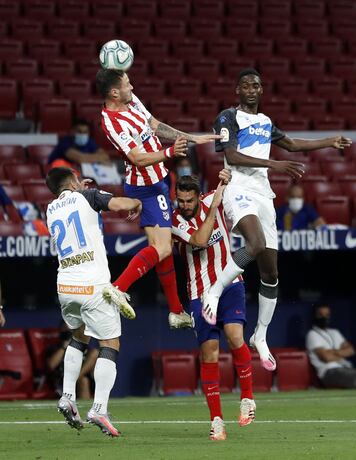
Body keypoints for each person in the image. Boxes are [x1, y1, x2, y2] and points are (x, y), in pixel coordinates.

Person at [205, 67, 352, 371]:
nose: (251, 89)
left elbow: (292, 144)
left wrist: (329, 141)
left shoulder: (266, 121)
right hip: (238, 188)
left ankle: (260, 335)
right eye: (245, 85)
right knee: (255, 244)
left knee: (270, 273)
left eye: (256, 85)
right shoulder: (227, 117)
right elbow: (231, 156)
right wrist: (274, 163)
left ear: (261, 90)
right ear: (237, 90)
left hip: (263, 195)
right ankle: (215, 290)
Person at [95, 69, 220, 329]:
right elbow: (137, 158)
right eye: (128, 84)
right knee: (163, 248)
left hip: (157, 181)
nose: (133, 86)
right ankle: (118, 287)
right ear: (114, 92)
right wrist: (170, 151)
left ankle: (176, 311)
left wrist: (190, 138)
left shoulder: (132, 101)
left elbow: (154, 125)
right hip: (147, 188)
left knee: (162, 251)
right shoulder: (111, 122)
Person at [46, 167, 142, 437]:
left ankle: (67, 396)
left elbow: (78, 209)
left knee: (79, 337)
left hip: (65, 285)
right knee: (111, 343)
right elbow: (120, 204)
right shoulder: (87, 197)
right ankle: (99, 407)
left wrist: (86, 192)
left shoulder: (51, 209)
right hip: (93, 286)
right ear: (74, 181)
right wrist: (136, 202)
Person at [172, 173, 255, 441]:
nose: (184, 205)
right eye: (180, 199)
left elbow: (233, 178)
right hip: (199, 294)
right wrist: (211, 210)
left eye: (188, 200)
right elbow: (199, 240)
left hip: (230, 284)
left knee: (235, 336)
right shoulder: (173, 221)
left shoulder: (213, 199)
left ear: (198, 196)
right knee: (210, 354)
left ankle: (247, 398)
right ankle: (216, 420)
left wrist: (226, 176)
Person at [306, 303, 356, 388]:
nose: (324, 317)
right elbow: (327, 358)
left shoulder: (335, 332)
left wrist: (332, 352)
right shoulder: (312, 334)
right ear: (315, 316)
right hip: (329, 372)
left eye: (327, 315)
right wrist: (341, 354)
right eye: (321, 314)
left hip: (346, 367)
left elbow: (351, 350)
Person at [46, 321, 99, 399]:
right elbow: (51, 366)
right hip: (63, 379)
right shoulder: (54, 348)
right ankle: (75, 379)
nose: (68, 332)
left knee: (95, 353)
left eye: (71, 330)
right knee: (83, 381)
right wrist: (64, 347)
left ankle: (76, 378)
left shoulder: (82, 347)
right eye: (65, 329)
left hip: (82, 376)